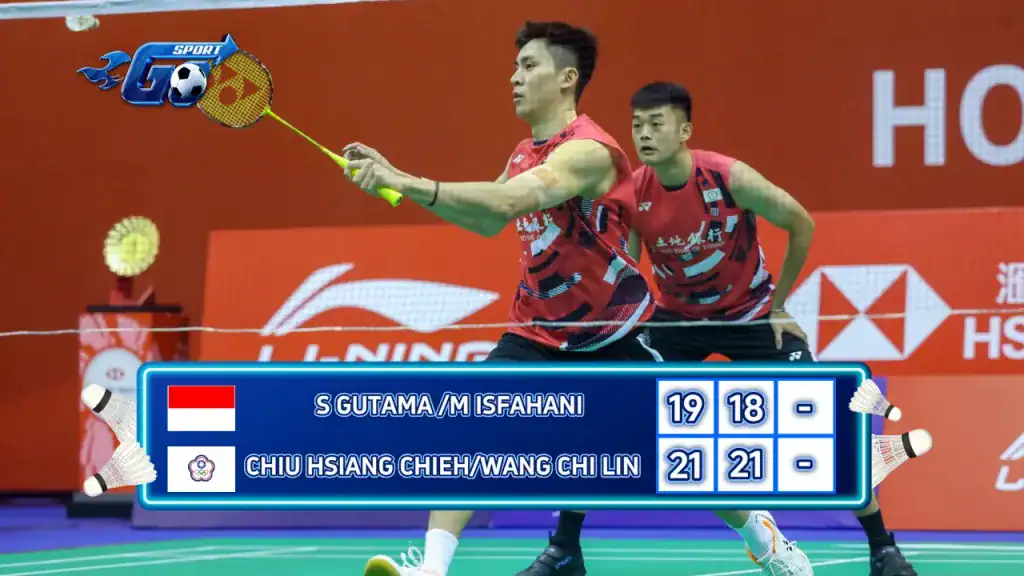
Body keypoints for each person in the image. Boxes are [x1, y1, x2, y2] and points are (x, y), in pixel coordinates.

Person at [342, 22, 661, 576]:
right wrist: (394, 183)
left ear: (567, 78)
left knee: (684, 461)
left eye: (529, 66)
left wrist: (407, 179)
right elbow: (488, 219)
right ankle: (432, 569)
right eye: (515, 67)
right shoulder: (521, 153)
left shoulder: (589, 150)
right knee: (474, 426)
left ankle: (769, 542)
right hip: (537, 330)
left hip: (612, 333)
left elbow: (514, 200)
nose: (514, 77)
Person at [627, 81, 919, 576]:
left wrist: (779, 304)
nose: (645, 134)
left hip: (751, 315)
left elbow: (800, 222)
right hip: (678, 321)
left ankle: (882, 548)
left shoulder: (727, 178)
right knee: (625, 409)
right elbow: (628, 265)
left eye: (656, 124)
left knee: (825, 422)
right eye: (637, 125)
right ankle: (567, 545)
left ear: (685, 130)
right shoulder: (634, 192)